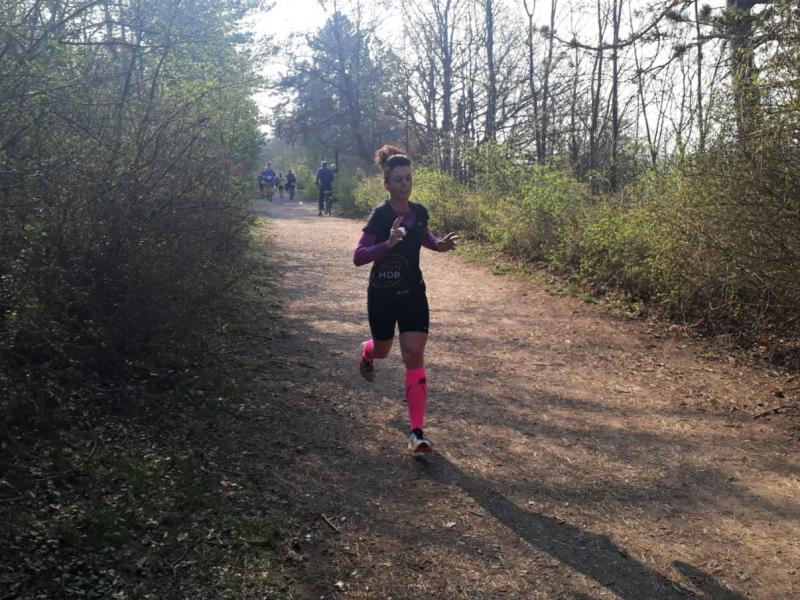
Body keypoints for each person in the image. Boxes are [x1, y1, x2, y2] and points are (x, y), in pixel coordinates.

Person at [352, 145, 459, 454]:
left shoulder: (419, 213)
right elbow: (359, 256)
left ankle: (417, 432)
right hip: (382, 295)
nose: (404, 184)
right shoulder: (380, 215)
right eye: (398, 180)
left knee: (413, 355)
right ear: (387, 184)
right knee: (383, 350)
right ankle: (368, 351)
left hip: (413, 293)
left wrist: (439, 245)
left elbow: (425, 237)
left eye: (408, 178)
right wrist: (387, 243)